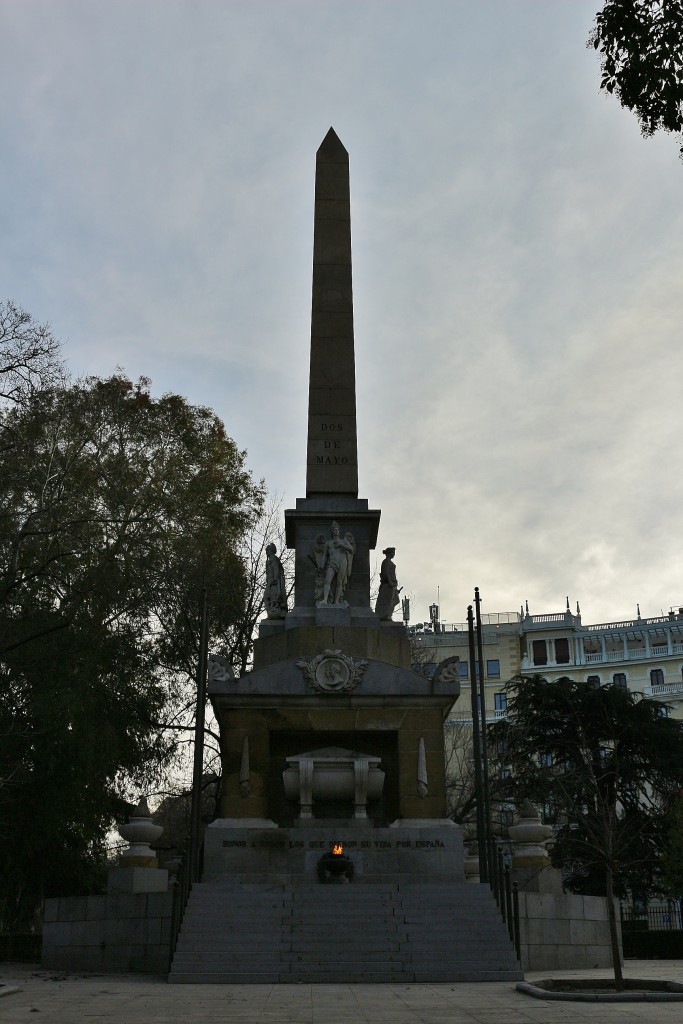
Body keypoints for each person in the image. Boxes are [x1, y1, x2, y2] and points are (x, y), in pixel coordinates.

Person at [318, 522, 355, 606]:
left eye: (338, 530)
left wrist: (341, 545)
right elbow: (324, 556)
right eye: (335, 530)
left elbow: (351, 549)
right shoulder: (328, 543)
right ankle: (325, 600)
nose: (336, 531)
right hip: (332, 563)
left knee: (339, 582)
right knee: (327, 581)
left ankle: (336, 601)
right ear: (332, 531)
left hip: (342, 562)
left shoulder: (343, 541)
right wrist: (321, 566)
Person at [375, 547, 399, 620]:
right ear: (389, 553)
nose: (394, 554)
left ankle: (388, 614)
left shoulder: (389, 562)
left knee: (395, 600)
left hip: (392, 584)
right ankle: (385, 615)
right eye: (393, 553)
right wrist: (390, 582)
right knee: (387, 601)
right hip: (388, 584)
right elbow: (386, 573)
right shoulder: (386, 561)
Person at [264, 542, 287, 618]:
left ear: (271, 550)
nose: (266, 551)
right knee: (268, 597)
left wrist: (275, 579)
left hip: (273, 580)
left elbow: (276, 568)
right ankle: (272, 611)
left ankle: (274, 611)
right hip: (270, 580)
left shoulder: (273, 557)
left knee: (268, 597)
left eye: (268, 550)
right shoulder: (271, 558)